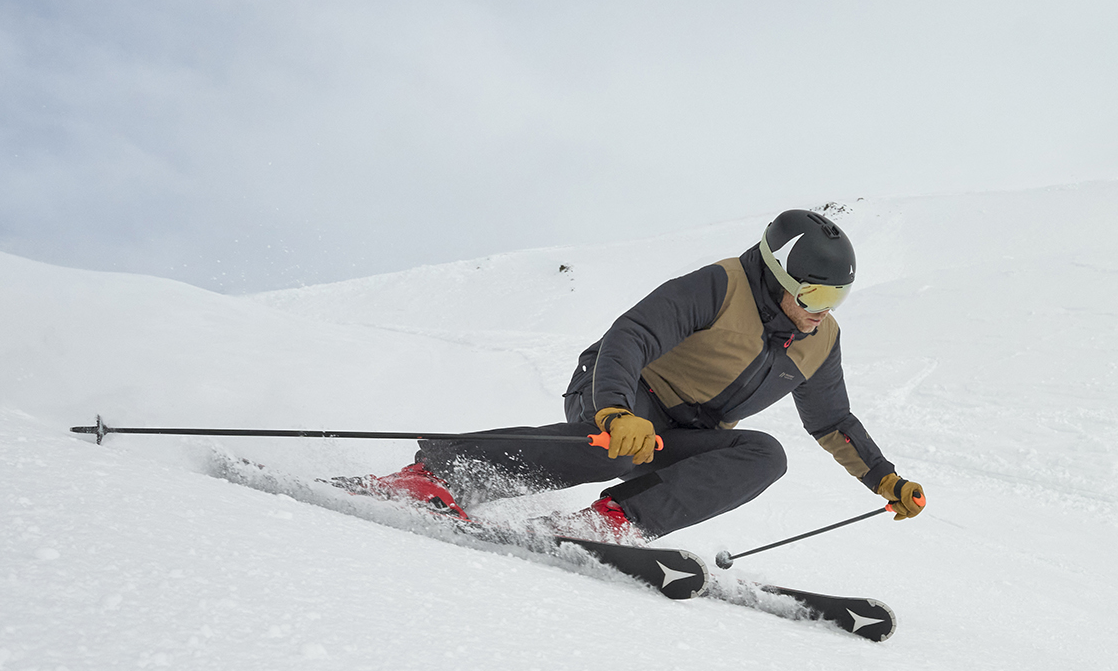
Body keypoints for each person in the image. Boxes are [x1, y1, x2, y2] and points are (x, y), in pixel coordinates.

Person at [362, 210, 926, 541]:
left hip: (688, 429)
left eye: (837, 296)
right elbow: (630, 336)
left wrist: (884, 480)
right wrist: (614, 410)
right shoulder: (721, 286)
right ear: (778, 274)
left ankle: (612, 523)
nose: (822, 307)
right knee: (622, 447)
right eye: (814, 293)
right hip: (622, 389)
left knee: (764, 454)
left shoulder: (819, 339)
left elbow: (832, 421)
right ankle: (440, 474)